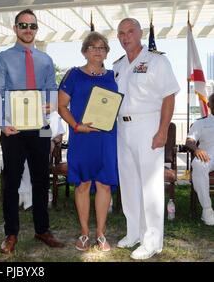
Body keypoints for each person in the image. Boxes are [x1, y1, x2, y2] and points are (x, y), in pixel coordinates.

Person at [0, 9, 64, 254]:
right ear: (15, 28)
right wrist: (2, 124)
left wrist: (51, 103)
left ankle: (42, 230)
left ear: (36, 29)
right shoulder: (3, 58)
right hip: (13, 130)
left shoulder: (46, 60)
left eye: (32, 26)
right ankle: (11, 233)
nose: (28, 29)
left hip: (41, 128)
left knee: (41, 179)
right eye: (23, 25)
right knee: (11, 181)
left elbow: (52, 89)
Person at [113, 18, 180, 260]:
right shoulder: (117, 65)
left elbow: (169, 96)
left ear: (140, 33)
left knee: (150, 185)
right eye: (121, 33)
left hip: (148, 125)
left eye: (130, 31)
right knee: (129, 183)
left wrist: (163, 130)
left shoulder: (157, 60)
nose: (125, 36)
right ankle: (134, 233)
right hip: (123, 128)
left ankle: (152, 240)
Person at [58, 32, 118, 252]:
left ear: (106, 52)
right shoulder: (73, 75)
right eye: (92, 47)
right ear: (84, 51)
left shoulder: (114, 75)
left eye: (102, 47)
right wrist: (76, 126)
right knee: (82, 184)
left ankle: (101, 234)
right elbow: (61, 107)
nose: (97, 51)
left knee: (104, 184)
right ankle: (84, 233)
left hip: (106, 138)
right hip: (81, 137)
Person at [18, 111, 66, 210]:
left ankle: (31, 196)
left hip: (42, 147)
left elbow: (58, 136)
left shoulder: (53, 115)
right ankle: (26, 194)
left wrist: (50, 140)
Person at [185, 93, 214, 226]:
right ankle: (207, 211)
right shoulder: (201, 123)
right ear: (209, 105)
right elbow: (189, 141)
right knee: (198, 164)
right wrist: (196, 150)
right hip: (208, 156)